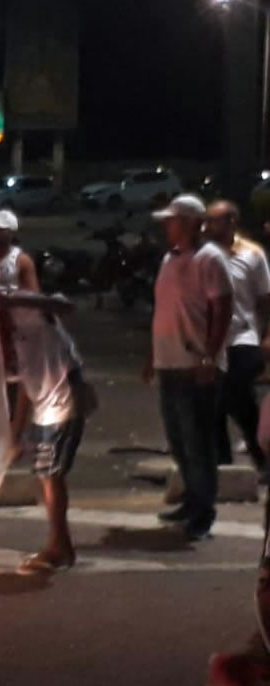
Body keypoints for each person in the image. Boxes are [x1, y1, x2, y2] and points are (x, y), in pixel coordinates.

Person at [144, 194, 234, 541]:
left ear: (192, 223)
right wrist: (150, 356)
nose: (167, 226)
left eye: (173, 220)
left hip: (195, 365)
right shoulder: (170, 258)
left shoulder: (209, 259)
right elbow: (163, 310)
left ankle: (203, 510)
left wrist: (210, 356)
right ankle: (190, 500)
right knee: (179, 440)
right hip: (169, 362)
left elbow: (222, 309)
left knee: (198, 442)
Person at [0, 285, 87, 574]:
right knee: (47, 476)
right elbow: (23, 386)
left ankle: (59, 547)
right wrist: (15, 434)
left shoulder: (24, 314)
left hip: (62, 404)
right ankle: (61, 545)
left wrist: (10, 300)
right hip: (45, 407)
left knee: (50, 475)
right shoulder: (7, 337)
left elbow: (62, 303)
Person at [205, 200, 270, 474]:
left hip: (244, 336)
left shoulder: (252, 254)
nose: (209, 226)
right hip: (211, 340)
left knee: (239, 397)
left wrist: (267, 335)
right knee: (213, 403)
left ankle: (262, 456)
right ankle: (222, 462)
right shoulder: (204, 254)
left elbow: (265, 299)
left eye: (215, 220)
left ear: (232, 221)